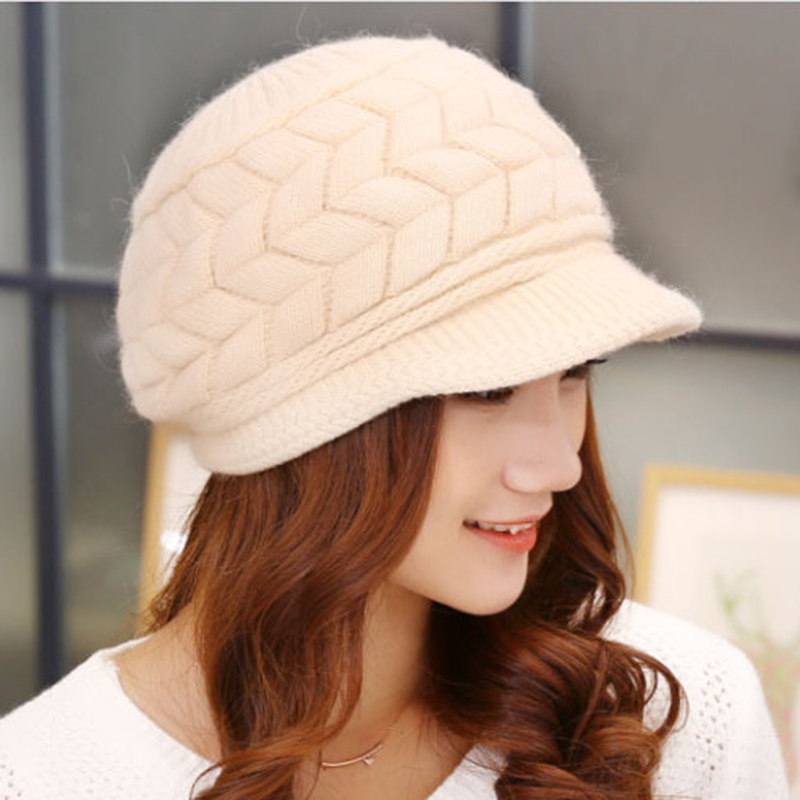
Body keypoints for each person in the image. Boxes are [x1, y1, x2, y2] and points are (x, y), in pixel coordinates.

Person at [0, 33, 789, 800]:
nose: (560, 465)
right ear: (301, 421)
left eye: (576, 373)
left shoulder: (675, 719)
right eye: (487, 389)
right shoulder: (41, 779)